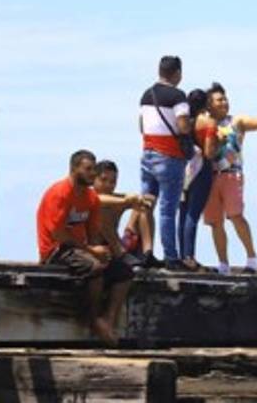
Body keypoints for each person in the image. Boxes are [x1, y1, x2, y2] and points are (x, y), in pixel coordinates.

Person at [37, 150, 135, 345]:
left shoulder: (90, 198)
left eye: (93, 169)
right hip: (56, 249)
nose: (93, 173)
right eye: (88, 169)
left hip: (80, 249)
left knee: (123, 272)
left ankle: (109, 320)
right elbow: (59, 235)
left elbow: (92, 232)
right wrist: (91, 252)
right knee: (94, 268)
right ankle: (93, 320)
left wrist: (101, 252)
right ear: (74, 169)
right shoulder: (60, 193)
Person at [200, 82, 257, 275]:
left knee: (236, 216)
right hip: (209, 177)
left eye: (225, 99)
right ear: (209, 104)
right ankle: (223, 265)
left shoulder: (237, 121)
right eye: (219, 100)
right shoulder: (204, 123)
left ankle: (251, 259)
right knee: (215, 222)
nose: (224, 102)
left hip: (231, 175)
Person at [138, 55, 192, 269]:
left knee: (146, 205)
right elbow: (183, 126)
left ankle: (147, 252)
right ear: (177, 73)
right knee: (167, 210)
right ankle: (171, 257)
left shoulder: (146, 95)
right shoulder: (178, 96)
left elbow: (141, 126)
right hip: (169, 157)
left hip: (147, 154)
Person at [177, 88, 217, 272]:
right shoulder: (209, 122)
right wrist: (220, 142)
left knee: (183, 212)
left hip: (184, 169)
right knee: (193, 214)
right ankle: (189, 257)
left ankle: (181, 255)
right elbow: (209, 152)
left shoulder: (185, 122)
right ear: (206, 103)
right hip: (202, 169)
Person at [93, 160, 154, 269]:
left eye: (112, 182)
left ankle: (147, 253)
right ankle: (120, 253)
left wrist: (140, 201)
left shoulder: (117, 198)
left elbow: (148, 199)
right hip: (98, 248)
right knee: (102, 212)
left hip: (120, 244)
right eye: (103, 180)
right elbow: (98, 200)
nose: (108, 185)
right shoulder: (89, 197)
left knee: (143, 206)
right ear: (94, 179)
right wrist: (125, 201)